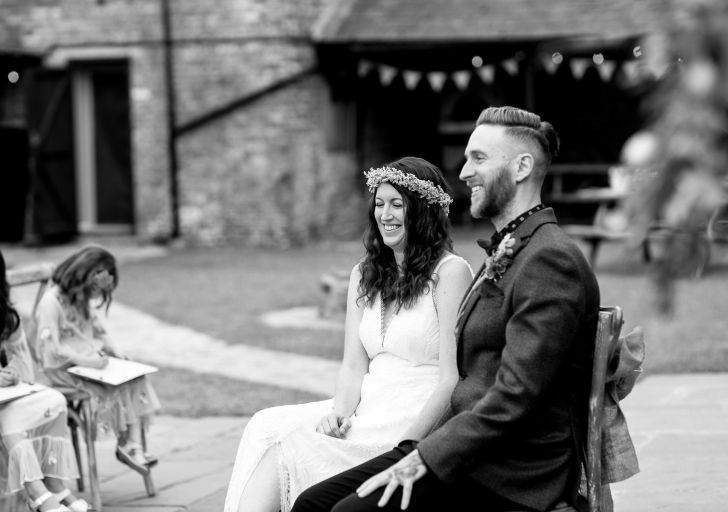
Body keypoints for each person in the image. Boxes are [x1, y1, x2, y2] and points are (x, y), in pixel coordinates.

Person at [292, 106, 601, 512]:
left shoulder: (549, 260)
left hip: (510, 472)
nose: (464, 171)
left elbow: (514, 397)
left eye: (479, 158)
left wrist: (422, 457)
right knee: (312, 503)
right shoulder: (517, 248)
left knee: (344, 511)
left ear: (522, 167)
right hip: (462, 450)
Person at [223, 156, 473, 512]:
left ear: (423, 211)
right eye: (379, 204)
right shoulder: (364, 274)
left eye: (397, 205)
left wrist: (410, 445)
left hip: (412, 416)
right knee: (266, 426)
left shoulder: (450, 273)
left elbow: (451, 378)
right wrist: (340, 413)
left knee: (291, 448)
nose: (385, 214)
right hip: (367, 405)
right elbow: (354, 365)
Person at [33, 246, 161, 475]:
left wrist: (116, 351)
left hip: (90, 364)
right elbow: (51, 350)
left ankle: (132, 444)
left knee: (135, 377)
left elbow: (99, 331)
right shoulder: (50, 303)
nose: (93, 296)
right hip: (64, 369)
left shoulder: (79, 300)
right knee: (116, 384)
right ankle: (128, 444)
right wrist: (87, 361)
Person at [0, 250, 84, 512]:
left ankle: (55, 486)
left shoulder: (4, 315)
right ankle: (37, 494)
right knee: (8, 419)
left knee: (55, 400)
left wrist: (12, 370)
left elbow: (23, 360)